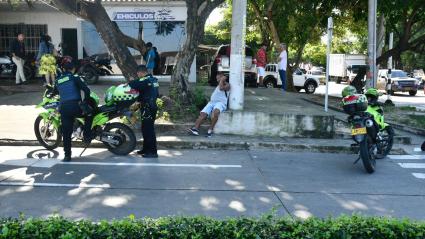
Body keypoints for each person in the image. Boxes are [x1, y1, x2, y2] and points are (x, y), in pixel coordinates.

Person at [53, 58, 92, 162]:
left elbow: (54, 92)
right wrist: (85, 102)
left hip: (64, 109)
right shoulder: (75, 78)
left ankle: (67, 156)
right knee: (89, 115)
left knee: (66, 133)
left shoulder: (58, 80)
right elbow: (87, 91)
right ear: (73, 69)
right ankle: (87, 136)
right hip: (76, 107)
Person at [128, 65, 159, 158]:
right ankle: (146, 149)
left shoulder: (144, 80)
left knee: (149, 130)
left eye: (138, 74)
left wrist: (131, 80)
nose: (138, 75)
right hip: (151, 106)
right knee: (145, 128)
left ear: (140, 72)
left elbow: (133, 85)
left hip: (147, 108)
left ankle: (153, 152)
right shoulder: (154, 80)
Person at [188, 73, 230, 137]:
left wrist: (222, 80)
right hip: (212, 102)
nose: (217, 80)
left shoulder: (227, 85)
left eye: (219, 78)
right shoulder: (218, 85)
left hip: (221, 103)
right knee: (203, 114)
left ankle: (210, 130)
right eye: (217, 78)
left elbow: (221, 88)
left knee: (216, 112)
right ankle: (195, 129)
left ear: (223, 78)